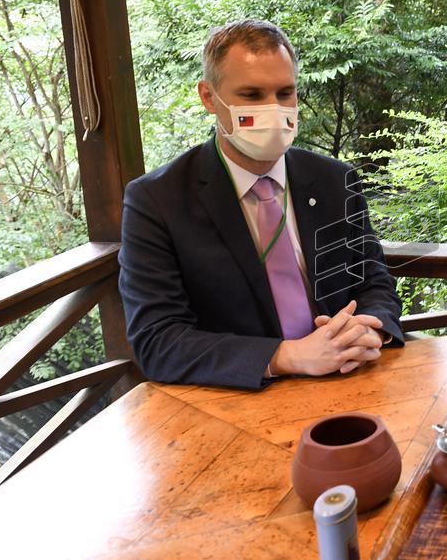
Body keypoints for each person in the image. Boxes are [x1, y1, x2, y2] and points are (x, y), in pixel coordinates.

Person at [118, 20, 403, 389]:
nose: (273, 109)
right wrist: (288, 356)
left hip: (349, 378)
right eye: (251, 95)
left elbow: (374, 281)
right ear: (209, 97)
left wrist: (368, 330)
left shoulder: (335, 180)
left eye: (285, 93)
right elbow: (158, 340)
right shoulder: (156, 200)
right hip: (238, 398)